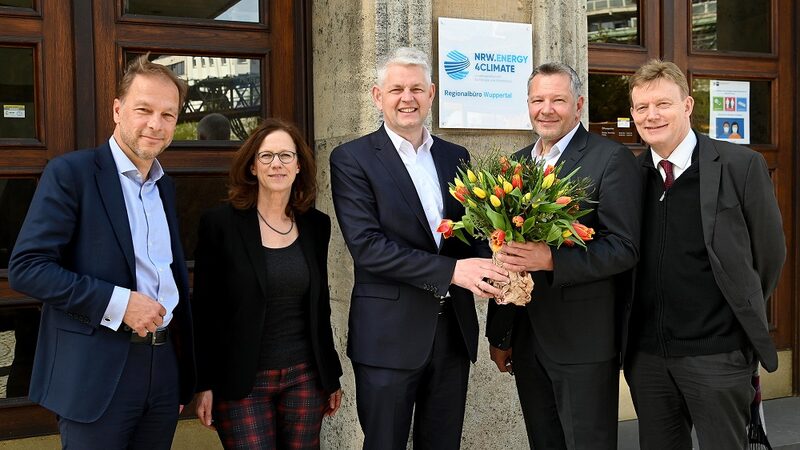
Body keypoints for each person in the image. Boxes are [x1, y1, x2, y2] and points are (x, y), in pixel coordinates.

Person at [8, 54, 195, 449]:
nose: (155, 125)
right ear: (117, 109)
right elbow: (27, 268)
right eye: (144, 110)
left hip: (161, 369)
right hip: (96, 373)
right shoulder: (71, 174)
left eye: (168, 115)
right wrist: (119, 303)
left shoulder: (164, 186)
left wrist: (180, 375)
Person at [330, 47, 508, 449]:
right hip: (388, 338)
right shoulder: (352, 158)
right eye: (396, 89)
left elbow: (469, 232)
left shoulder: (455, 156)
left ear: (431, 93)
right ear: (378, 96)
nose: (406, 98)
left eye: (415, 88)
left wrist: (499, 253)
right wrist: (453, 272)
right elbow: (367, 247)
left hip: (452, 333)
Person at [624, 59, 785, 450]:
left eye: (663, 104)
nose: (652, 115)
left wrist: (734, 324)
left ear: (687, 105)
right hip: (648, 359)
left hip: (717, 355)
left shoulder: (739, 165)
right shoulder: (629, 175)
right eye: (641, 107)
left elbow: (769, 255)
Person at [488, 62, 641, 450]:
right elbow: (505, 251)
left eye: (558, 99)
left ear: (579, 104)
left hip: (582, 341)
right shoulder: (516, 164)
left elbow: (623, 248)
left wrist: (552, 259)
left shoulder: (610, 159)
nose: (547, 109)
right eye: (538, 99)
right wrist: (500, 332)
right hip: (525, 340)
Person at [192, 118, 343, 449]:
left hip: (305, 376)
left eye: (286, 156)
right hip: (242, 379)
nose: (277, 164)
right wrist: (203, 383)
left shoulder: (316, 225)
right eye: (266, 156)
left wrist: (330, 375)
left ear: (299, 165)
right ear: (252, 167)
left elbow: (320, 306)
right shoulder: (220, 224)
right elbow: (204, 311)